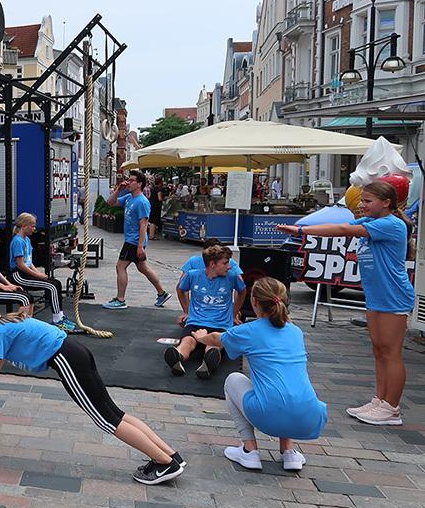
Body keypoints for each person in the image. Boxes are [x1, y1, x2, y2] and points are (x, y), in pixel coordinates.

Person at [0, 307, 186, 485]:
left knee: (106, 420)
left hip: (66, 359)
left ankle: (164, 464)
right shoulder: (2, 326)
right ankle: (171, 455)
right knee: (115, 413)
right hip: (75, 353)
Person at [277, 180, 413, 426]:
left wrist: (300, 231)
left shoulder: (391, 225)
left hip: (393, 296)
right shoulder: (370, 222)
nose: (363, 205)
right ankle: (380, 400)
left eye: (368, 201)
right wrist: (302, 230)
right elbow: (337, 226)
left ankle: (392, 408)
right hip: (376, 296)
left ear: (387, 203)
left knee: (391, 352)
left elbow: (343, 230)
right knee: (378, 350)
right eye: (362, 200)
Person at [191, 278, 327, 471]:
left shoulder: (249, 331)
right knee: (285, 385)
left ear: (254, 302)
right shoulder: (296, 332)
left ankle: (249, 451)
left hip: (269, 416)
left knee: (233, 380)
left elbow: (216, 338)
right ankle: (288, 452)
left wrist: (199, 337)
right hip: (310, 417)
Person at [165, 245, 246, 379]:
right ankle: (177, 356)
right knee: (187, 342)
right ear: (212, 264)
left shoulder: (232, 277)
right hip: (196, 321)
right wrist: (186, 311)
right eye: (225, 263)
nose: (229, 267)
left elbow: (242, 291)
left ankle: (208, 361)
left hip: (221, 324)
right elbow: (180, 289)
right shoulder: (193, 275)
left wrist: (234, 313)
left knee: (213, 344)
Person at [102, 170, 171, 310]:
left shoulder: (142, 202)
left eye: (132, 180)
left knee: (120, 266)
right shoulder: (128, 197)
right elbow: (110, 202)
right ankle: (162, 293)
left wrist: (140, 246)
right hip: (132, 239)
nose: (128, 182)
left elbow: (143, 225)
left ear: (139, 184)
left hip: (134, 240)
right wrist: (118, 189)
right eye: (129, 179)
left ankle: (120, 299)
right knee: (143, 267)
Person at [7, 213, 77, 331]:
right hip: (18, 275)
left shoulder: (27, 240)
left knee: (56, 283)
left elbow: (29, 262)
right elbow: (20, 264)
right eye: (32, 226)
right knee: (51, 286)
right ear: (24, 226)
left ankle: (60, 316)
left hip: (26, 272)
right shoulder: (18, 241)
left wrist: (38, 273)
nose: (34, 229)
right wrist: (37, 275)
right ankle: (57, 320)